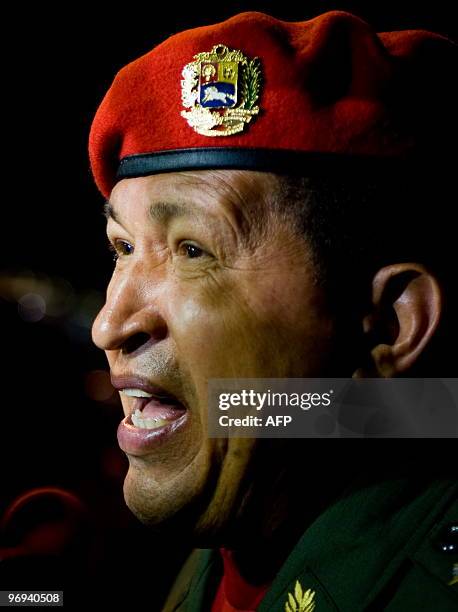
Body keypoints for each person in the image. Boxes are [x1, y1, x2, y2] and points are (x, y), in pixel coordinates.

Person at [89, 11, 457, 611]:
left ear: (391, 323)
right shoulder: (226, 545)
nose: (110, 325)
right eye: (122, 248)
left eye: (192, 251)